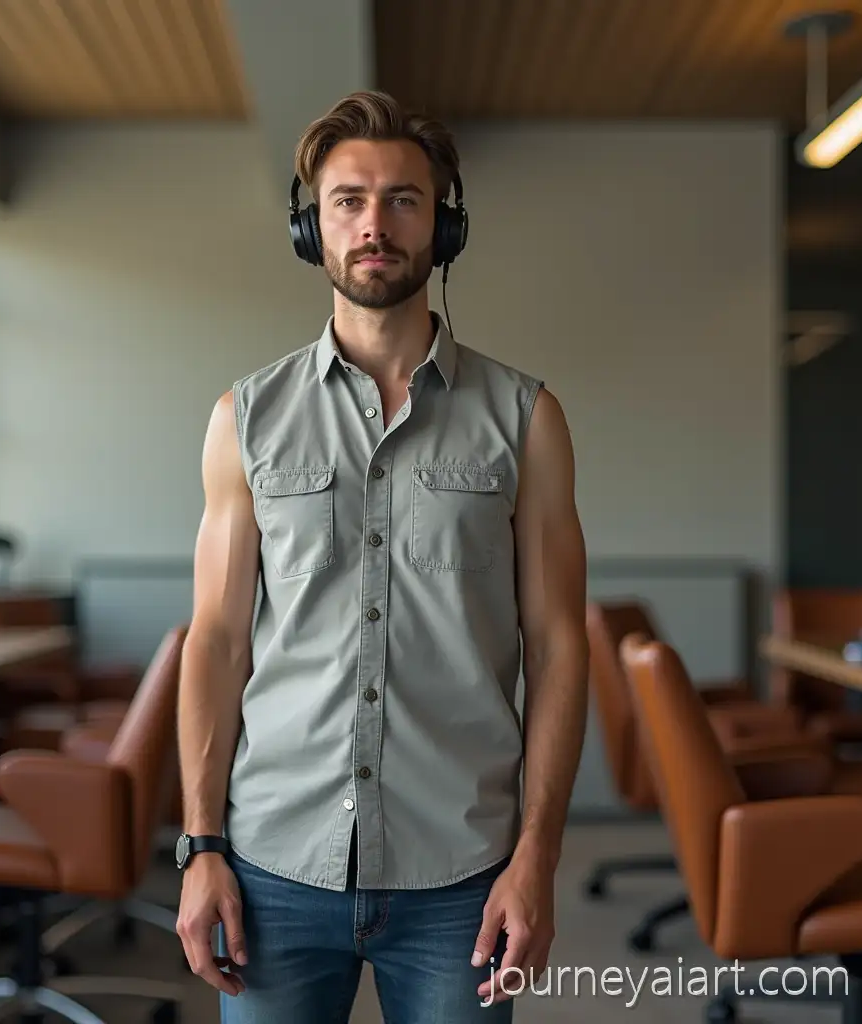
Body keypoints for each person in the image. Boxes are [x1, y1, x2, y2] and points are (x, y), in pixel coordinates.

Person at [175, 89, 589, 1023]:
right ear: (310, 227)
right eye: (347, 200)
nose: (374, 224)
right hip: (272, 867)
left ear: (444, 226)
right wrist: (200, 846)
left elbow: (560, 646)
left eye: (403, 199)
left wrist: (539, 854)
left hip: (463, 875)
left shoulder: (526, 419)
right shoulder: (245, 418)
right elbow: (217, 641)